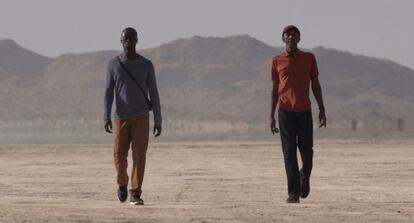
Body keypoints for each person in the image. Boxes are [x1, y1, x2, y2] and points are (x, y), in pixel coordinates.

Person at [104, 27, 162, 205]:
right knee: (119, 155)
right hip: (120, 117)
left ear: (137, 41)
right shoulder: (114, 64)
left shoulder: (146, 65)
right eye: (125, 39)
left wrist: (158, 119)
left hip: (141, 117)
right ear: (121, 42)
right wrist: (106, 115)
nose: (128, 42)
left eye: (132, 39)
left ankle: (135, 192)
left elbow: (154, 92)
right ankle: (122, 182)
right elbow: (108, 92)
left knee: (139, 155)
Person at [270, 25, 326, 203]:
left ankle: (304, 177)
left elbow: (315, 84)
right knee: (289, 153)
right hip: (285, 112)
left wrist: (322, 109)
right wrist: (271, 115)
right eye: (288, 35)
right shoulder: (277, 60)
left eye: (295, 35)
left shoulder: (309, 58)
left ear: (299, 38)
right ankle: (293, 192)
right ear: (283, 39)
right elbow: (274, 88)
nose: (291, 38)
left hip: (304, 111)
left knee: (307, 152)